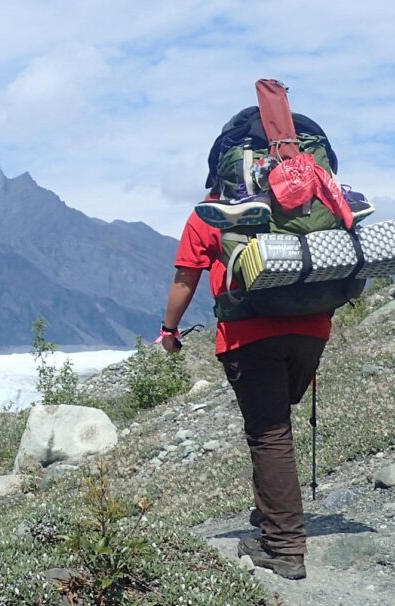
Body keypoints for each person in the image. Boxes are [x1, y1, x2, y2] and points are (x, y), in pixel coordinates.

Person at [159, 211, 329, 581]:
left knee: (269, 432)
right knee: (275, 424)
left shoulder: (213, 211)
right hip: (312, 329)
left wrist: (168, 331)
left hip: (249, 335)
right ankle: (272, 512)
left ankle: (284, 548)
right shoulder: (308, 203)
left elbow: (186, 278)